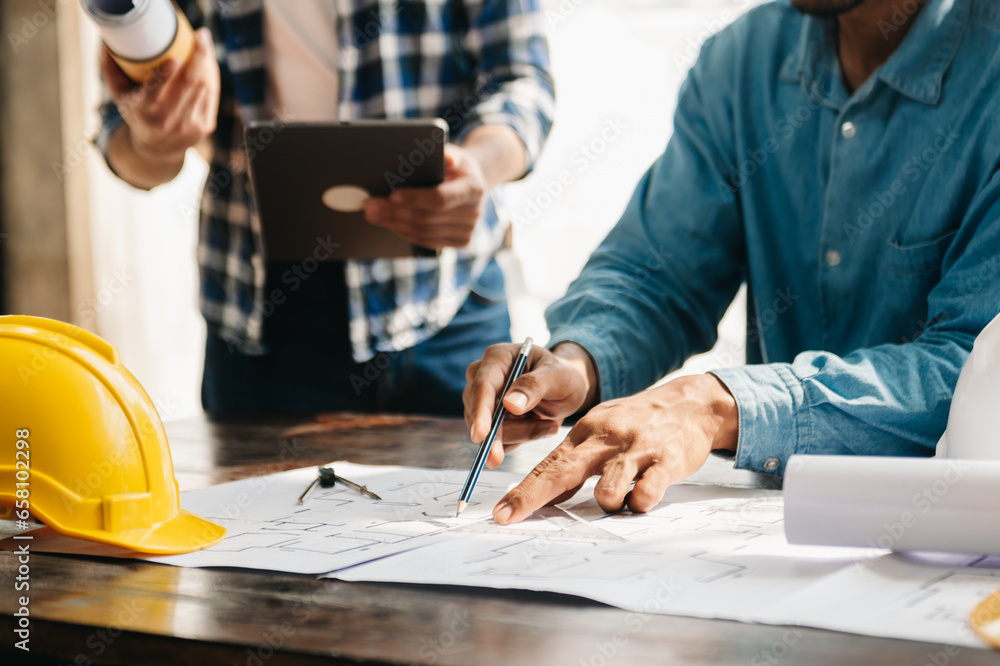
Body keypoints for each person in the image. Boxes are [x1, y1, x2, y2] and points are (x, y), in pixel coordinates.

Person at [464, 0, 1000, 525]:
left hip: (958, 542)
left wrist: (718, 407)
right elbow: (660, 274)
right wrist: (578, 363)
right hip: (770, 533)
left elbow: (977, 368)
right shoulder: (744, 58)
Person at [96, 0, 554, 415]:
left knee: (465, 504)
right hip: (259, 314)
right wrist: (153, 144)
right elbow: (121, 136)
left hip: (447, 303)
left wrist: (476, 166)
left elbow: (522, 83)